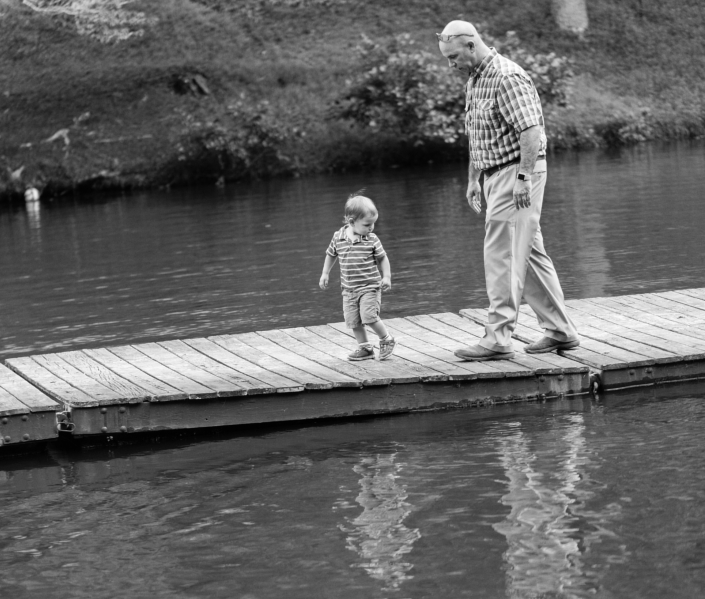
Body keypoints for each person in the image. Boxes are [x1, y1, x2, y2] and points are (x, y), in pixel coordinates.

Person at [437, 20, 580, 361]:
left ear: (472, 45)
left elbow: (531, 131)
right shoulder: (475, 80)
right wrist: (474, 178)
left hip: (517, 174)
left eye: (454, 56)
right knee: (528, 254)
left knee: (501, 254)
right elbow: (478, 136)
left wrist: (522, 178)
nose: (451, 64)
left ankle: (498, 338)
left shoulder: (507, 77)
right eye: (447, 58)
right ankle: (561, 331)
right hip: (493, 174)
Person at [320, 192, 396, 361]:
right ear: (351, 221)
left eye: (373, 224)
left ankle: (386, 339)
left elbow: (383, 258)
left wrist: (387, 276)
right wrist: (325, 273)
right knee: (353, 321)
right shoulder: (338, 237)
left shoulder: (371, 239)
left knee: (369, 316)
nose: (371, 228)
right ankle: (365, 348)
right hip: (349, 289)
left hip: (370, 286)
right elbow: (331, 254)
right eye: (367, 224)